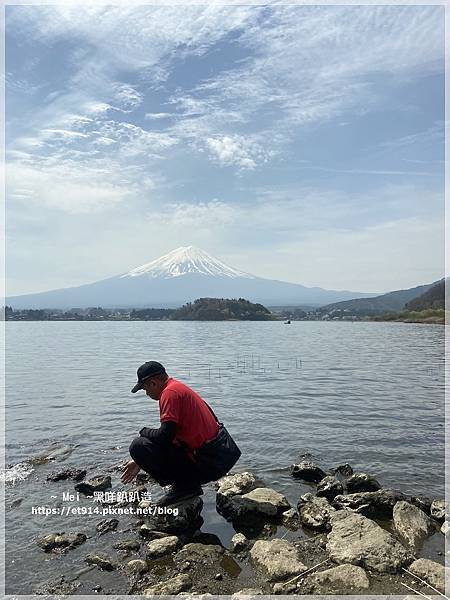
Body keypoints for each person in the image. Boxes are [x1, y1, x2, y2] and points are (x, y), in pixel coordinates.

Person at [121, 360, 234, 506]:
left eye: (145, 389)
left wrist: (143, 431)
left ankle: (186, 488)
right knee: (147, 444)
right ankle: (187, 485)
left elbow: (164, 437)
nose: (146, 394)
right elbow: (172, 436)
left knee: (138, 445)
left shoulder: (169, 394)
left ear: (153, 383)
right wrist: (138, 462)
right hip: (215, 458)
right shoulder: (177, 388)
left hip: (209, 463)